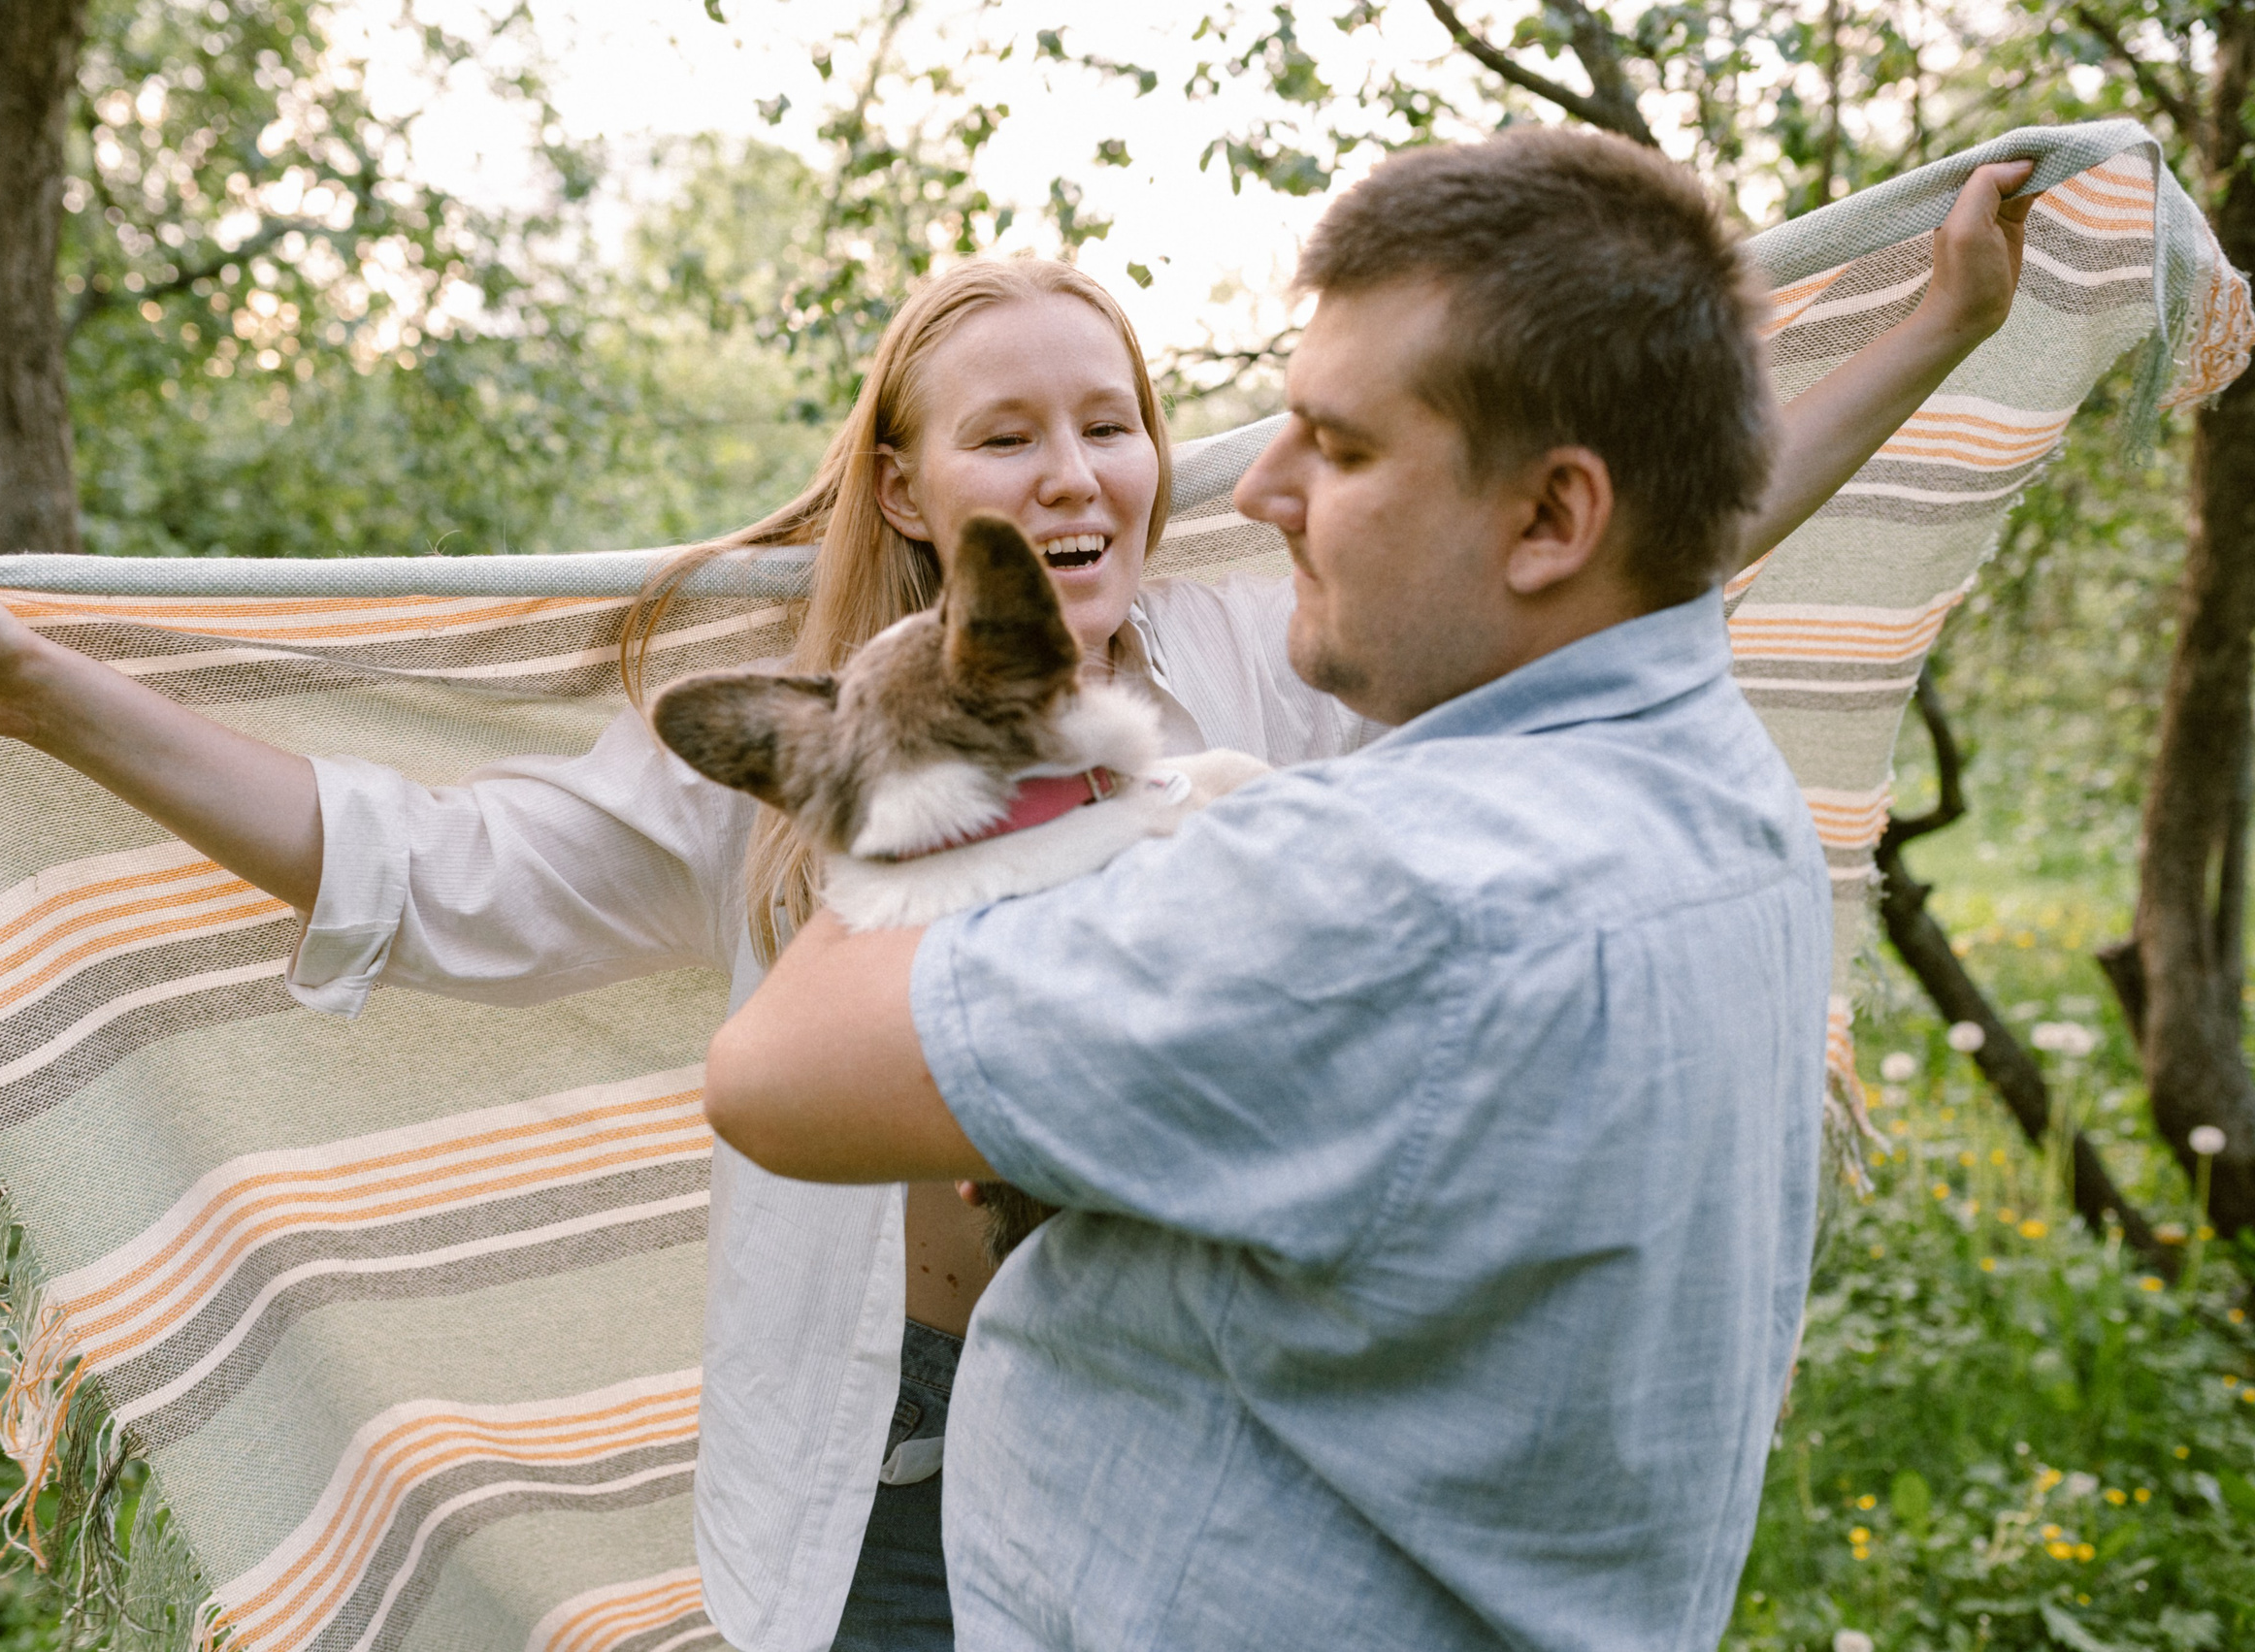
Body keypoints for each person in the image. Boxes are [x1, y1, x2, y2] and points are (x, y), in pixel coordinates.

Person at [0, 143, 2032, 1651]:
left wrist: (1917, 339)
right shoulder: (782, 761)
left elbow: (1630, 572)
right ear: (905, 481)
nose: (1078, 471)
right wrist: (49, 694)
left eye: (1114, 418)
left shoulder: (1292, 669)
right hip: (886, 1449)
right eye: (1007, 434)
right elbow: (411, 868)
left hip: (1200, 1476)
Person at [701, 129, 2036, 1652]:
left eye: (1334, 446)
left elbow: (774, 1078)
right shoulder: (1714, 790)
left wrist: (897, 738)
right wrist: (1940, 328)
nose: (1256, 488)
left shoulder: (1359, 891)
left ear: (1550, 522)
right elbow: (1657, 556)